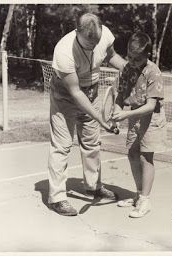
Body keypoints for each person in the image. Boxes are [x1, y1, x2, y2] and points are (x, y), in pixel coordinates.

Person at [48, 12, 127, 216]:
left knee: (92, 143)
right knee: (62, 145)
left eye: (96, 42)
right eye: (88, 44)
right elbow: (75, 93)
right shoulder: (64, 52)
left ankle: (93, 186)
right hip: (66, 96)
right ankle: (57, 198)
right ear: (77, 32)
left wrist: (132, 70)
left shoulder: (105, 35)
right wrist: (100, 118)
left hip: (91, 90)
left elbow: (111, 56)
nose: (93, 47)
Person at [112, 32, 167, 218]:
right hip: (134, 116)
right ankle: (138, 195)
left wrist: (125, 113)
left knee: (145, 158)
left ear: (147, 55)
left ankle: (145, 200)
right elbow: (120, 95)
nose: (132, 61)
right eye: (129, 56)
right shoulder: (126, 69)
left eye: (137, 58)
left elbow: (151, 106)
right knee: (133, 154)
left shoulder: (154, 72)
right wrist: (116, 112)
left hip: (151, 119)